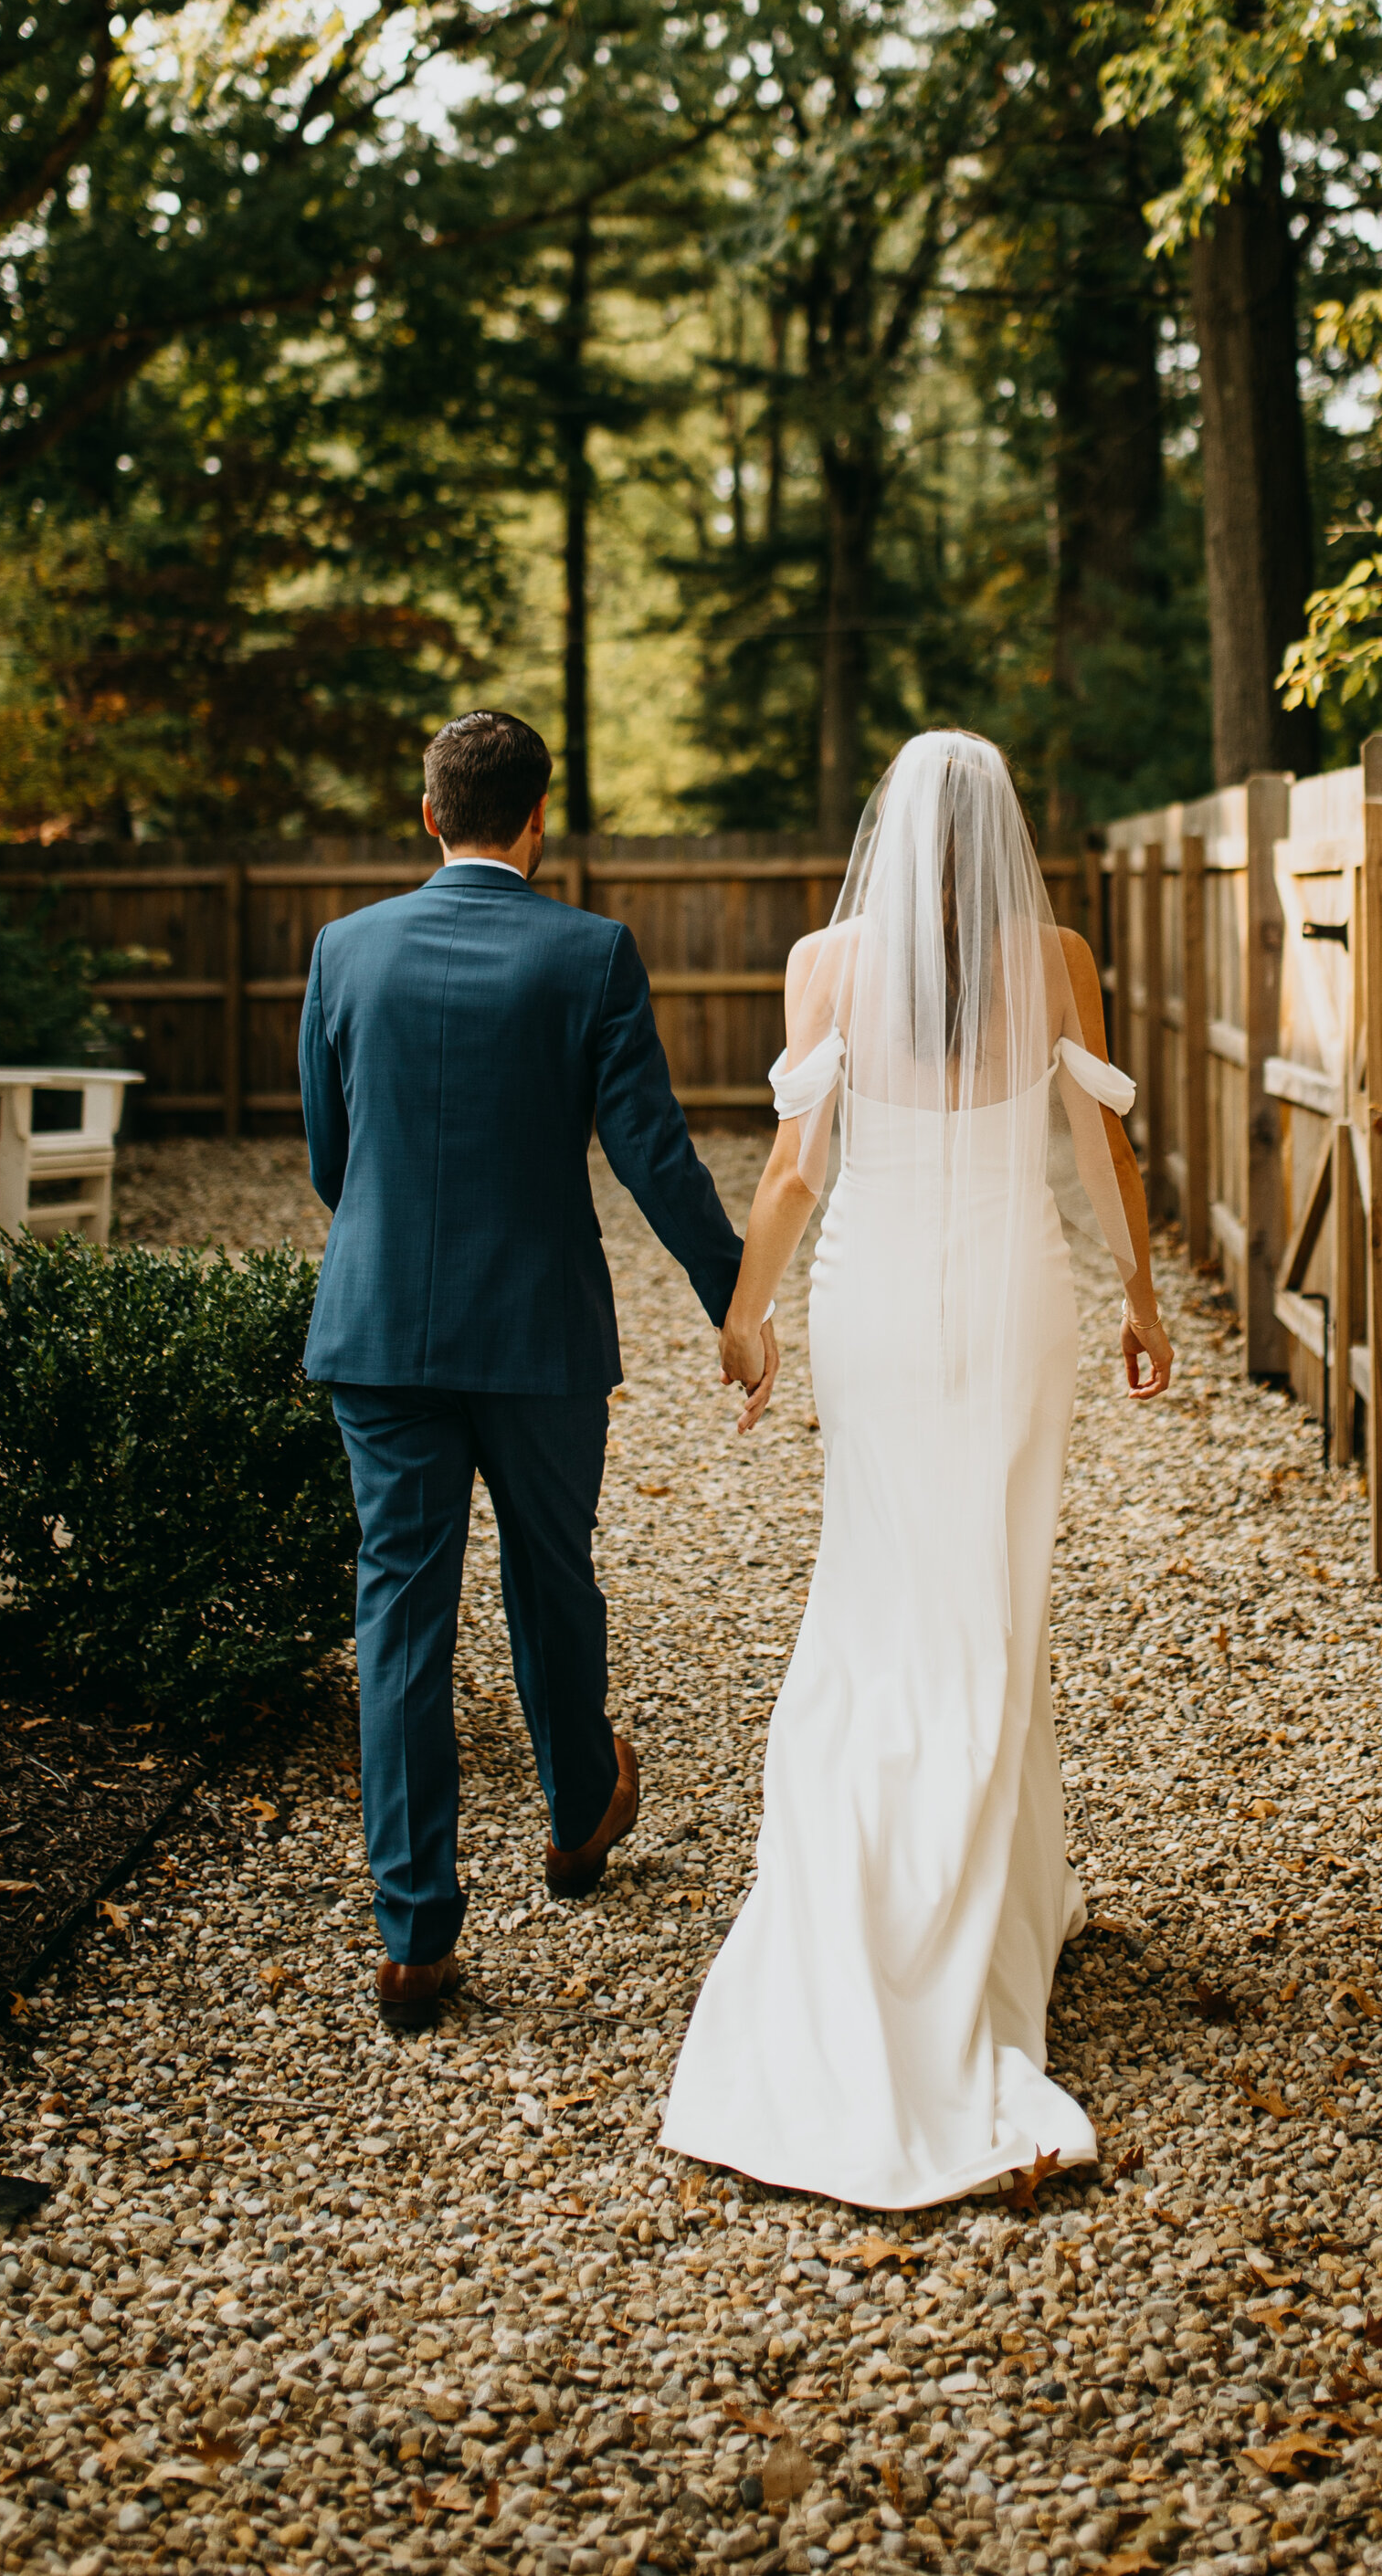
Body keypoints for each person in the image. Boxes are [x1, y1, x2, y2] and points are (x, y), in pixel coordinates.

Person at [661, 729, 1174, 2208]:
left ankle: (893, 1887)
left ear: (891, 828)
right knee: (992, 1596)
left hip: (872, 1310)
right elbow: (1099, 1154)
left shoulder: (825, 963)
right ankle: (985, 1900)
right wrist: (1139, 1295)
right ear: (1002, 831)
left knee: (880, 1581)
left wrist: (746, 1319)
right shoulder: (1058, 953)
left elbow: (796, 1173)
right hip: (1014, 1302)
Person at [300, 709, 775, 2032]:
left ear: (428, 810)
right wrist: (735, 1299)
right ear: (539, 818)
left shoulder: (344, 949)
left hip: (383, 1329)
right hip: (539, 1334)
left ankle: (412, 1934)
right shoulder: (590, 953)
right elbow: (654, 1154)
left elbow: (333, 1157)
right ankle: (576, 1817)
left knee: (402, 1605)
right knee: (550, 1573)